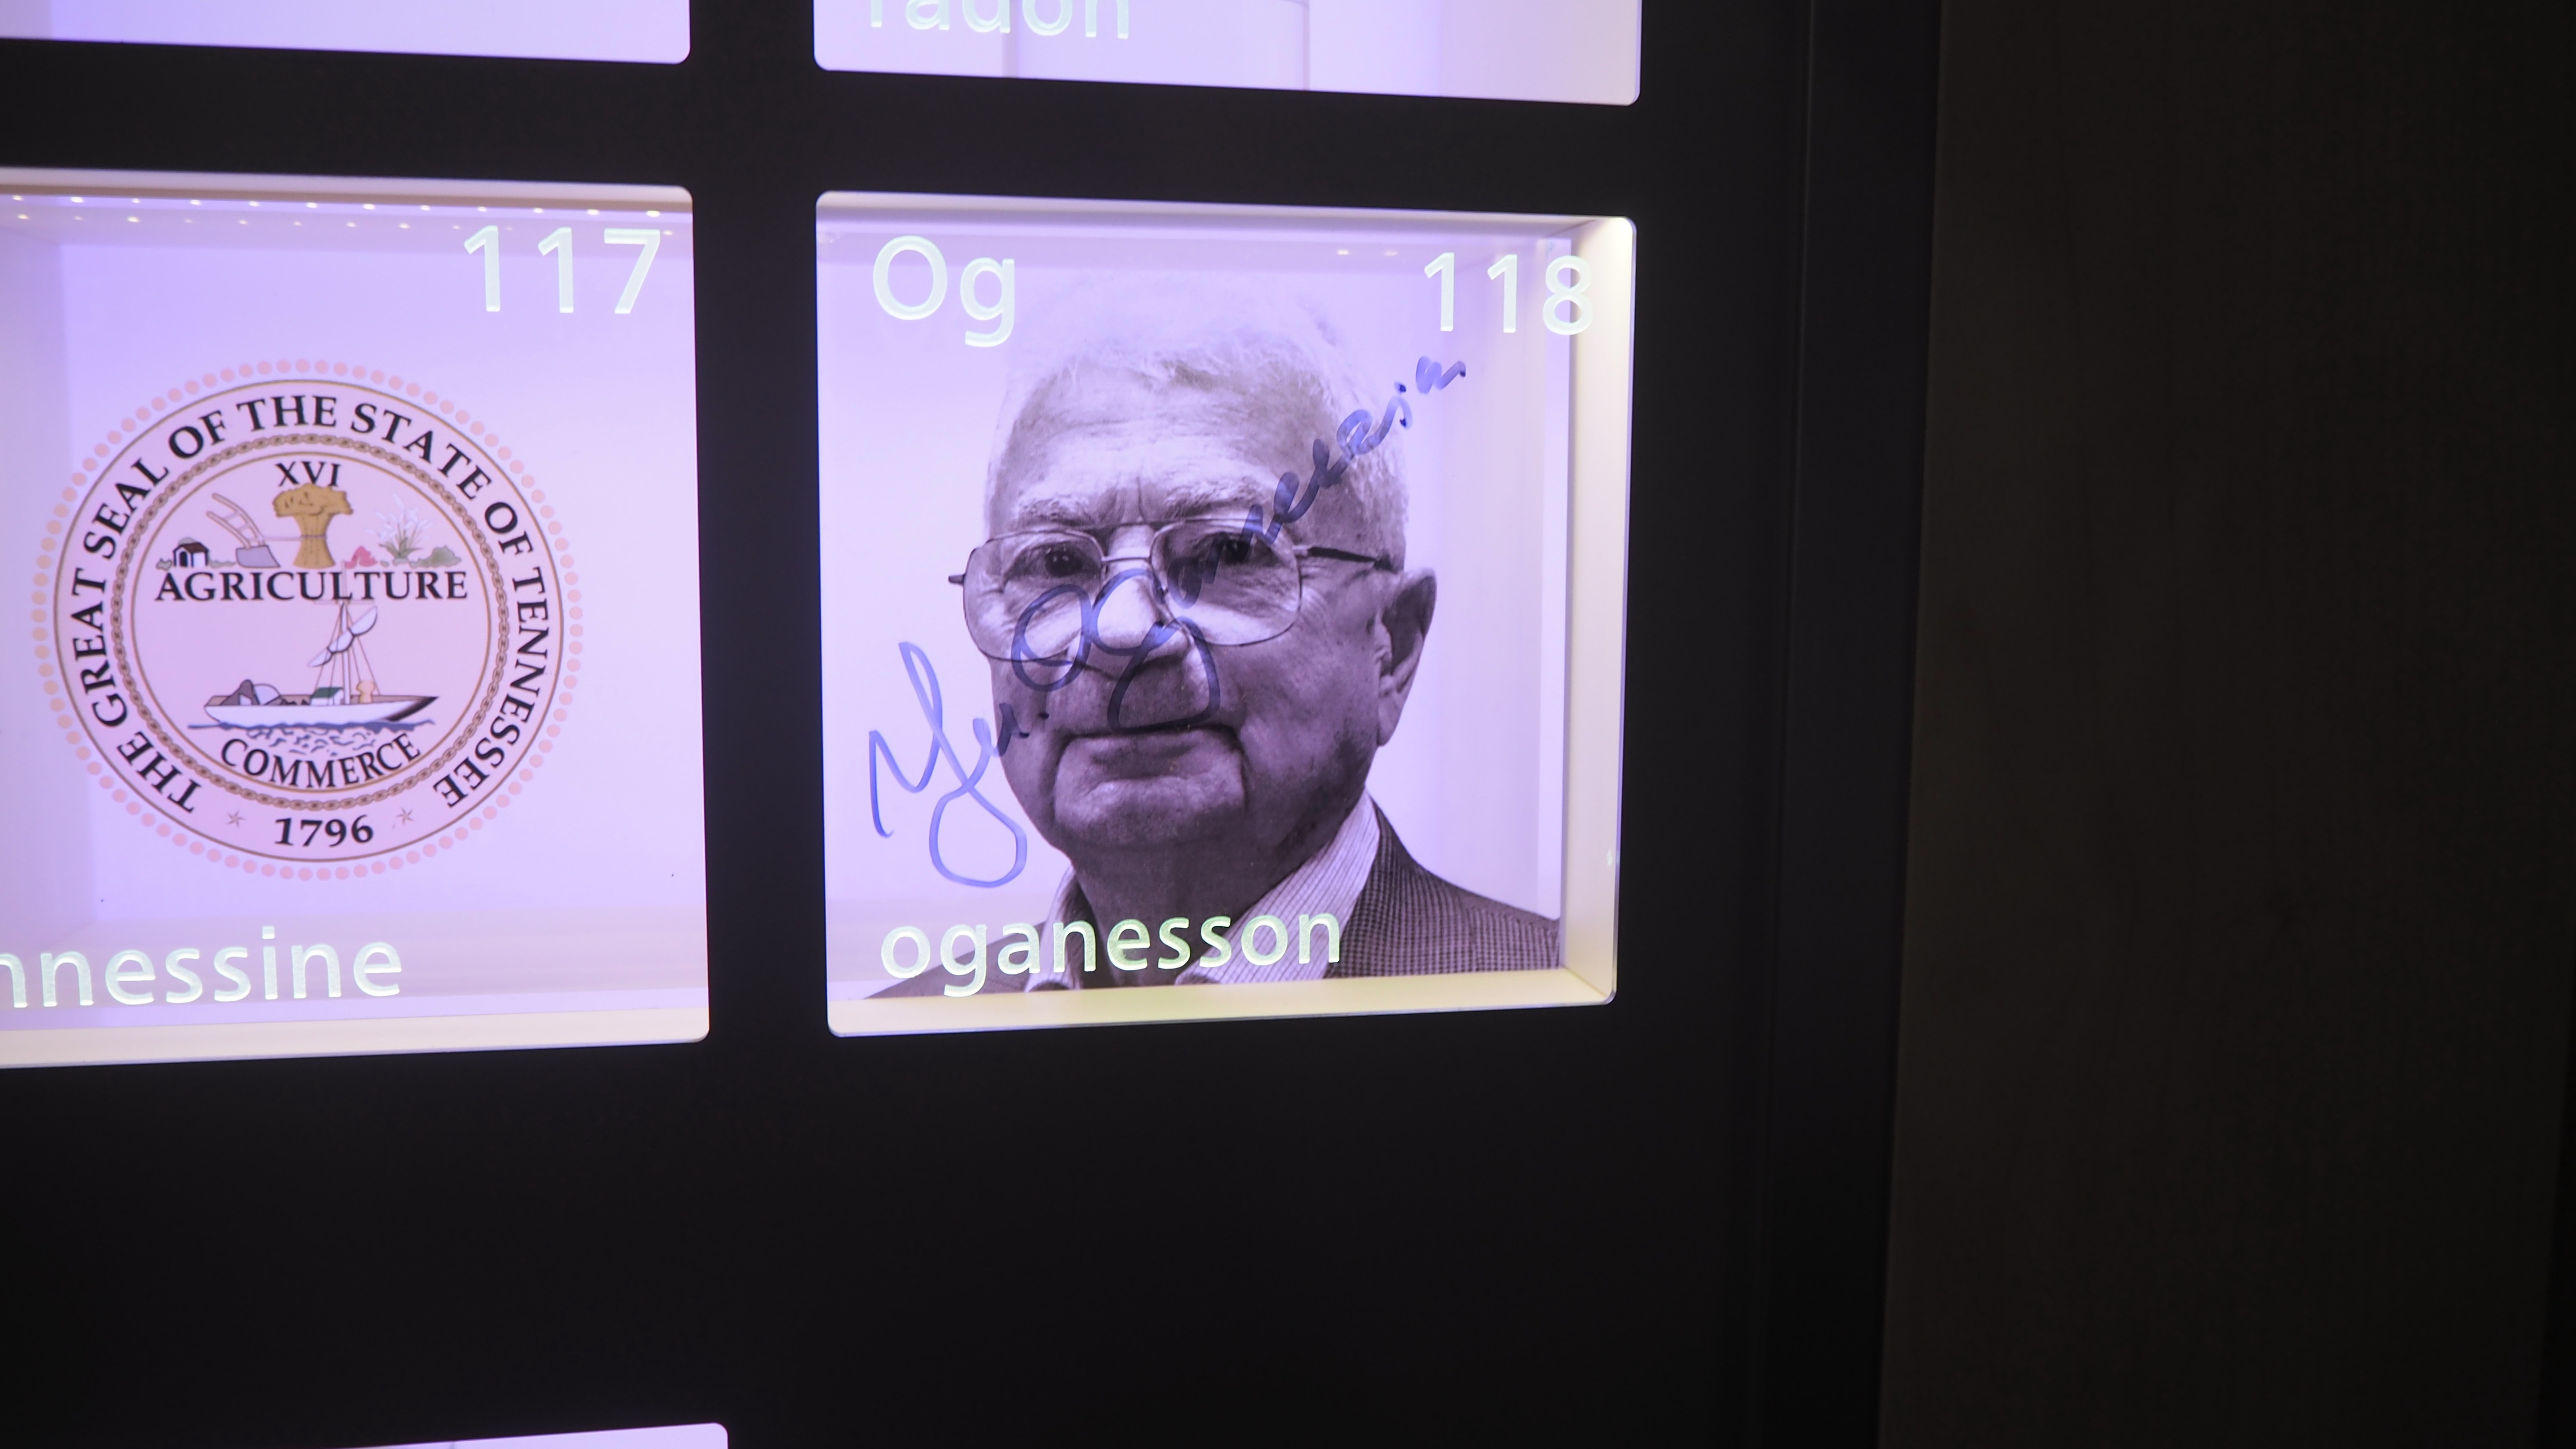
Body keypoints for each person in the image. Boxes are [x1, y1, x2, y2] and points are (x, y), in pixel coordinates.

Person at [905, 284, 1559, 991]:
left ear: (1391, 649)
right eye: (1057, 562)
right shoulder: (909, 1027)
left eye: (1227, 553)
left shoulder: (1553, 994)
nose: (1121, 631)